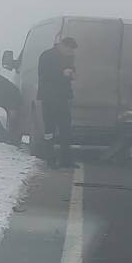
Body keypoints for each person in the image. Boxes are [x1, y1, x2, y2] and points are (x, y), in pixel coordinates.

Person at [38, 37, 79, 167]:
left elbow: (71, 70)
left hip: (63, 97)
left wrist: (72, 73)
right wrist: (62, 73)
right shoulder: (46, 55)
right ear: (62, 45)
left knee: (66, 129)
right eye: (69, 50)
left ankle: (66, 160)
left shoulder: (68, 57)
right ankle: (50, 159)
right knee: (50, 129)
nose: (71, 53)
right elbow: (43, 75)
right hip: (49, 97)